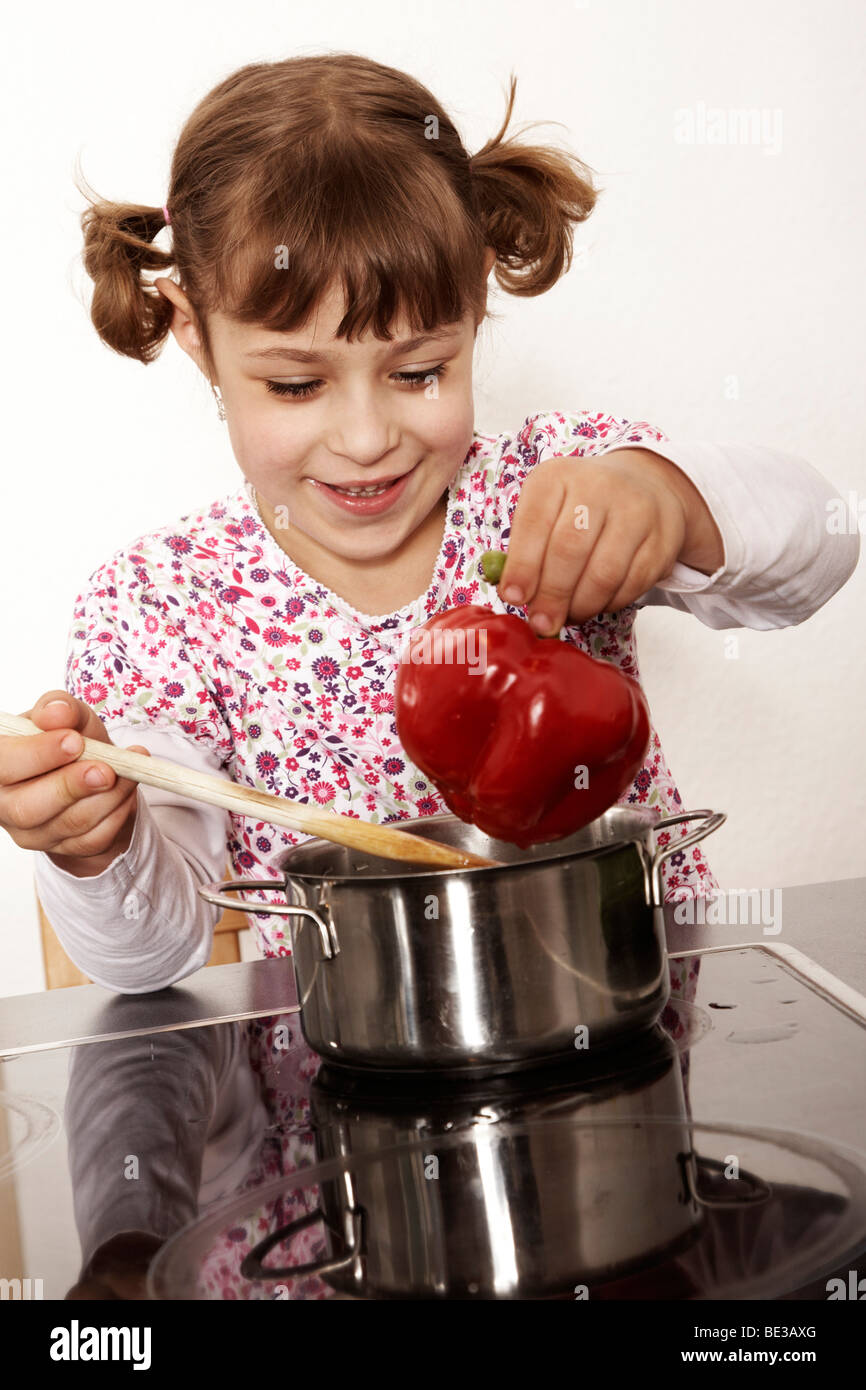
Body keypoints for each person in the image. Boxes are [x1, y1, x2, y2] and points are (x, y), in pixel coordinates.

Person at [1, 53, 858, 1012]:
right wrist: (99, 847)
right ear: (195, 334)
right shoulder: (161, 606)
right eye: (296, 384)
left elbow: (820, 546)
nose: (367, 440)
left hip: (645, 1042)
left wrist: (670, 501)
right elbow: (148, 955)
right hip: (351, 1108)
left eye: (420, 372)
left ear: (475, 298)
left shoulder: (549, 487)